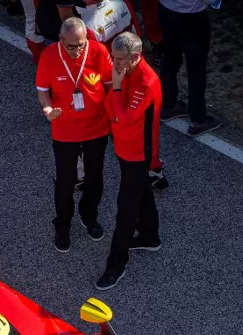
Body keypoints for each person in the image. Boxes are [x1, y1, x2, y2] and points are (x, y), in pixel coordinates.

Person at [37, 17, 113, 252]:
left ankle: (89, 216)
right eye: (71, 46)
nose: (76, 50)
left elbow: (111, 86)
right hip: (65, 130)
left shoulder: (98, 51)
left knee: (95, 178)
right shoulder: (49, 56)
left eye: (81, 45)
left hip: (97, 128)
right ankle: (62, 226)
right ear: (61, 39)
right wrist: (48, 110)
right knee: (65, 182)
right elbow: (42, 92)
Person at [95, 32, 161, 291]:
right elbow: (112, 111)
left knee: (125, 210)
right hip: (124, 148)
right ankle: (150, 235)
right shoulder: (124, 71)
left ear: (136, 57)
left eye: (120, 59)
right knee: (142, 192)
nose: (115, 64)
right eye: (113, 58)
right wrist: (116, 91)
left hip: (137, 154)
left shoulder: (146, 82)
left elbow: (123, 116)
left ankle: (116, 265)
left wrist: (117, 87)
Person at [155, 0, 220, 136]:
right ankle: (198, 119)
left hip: (166, 9)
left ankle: (167, 105)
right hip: (191, 17)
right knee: (196, 67)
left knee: (170, 59)